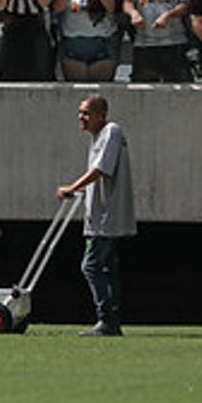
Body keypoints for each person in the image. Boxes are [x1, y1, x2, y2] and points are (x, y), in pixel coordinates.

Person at [57, 94, 135, 338]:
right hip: (99, 215)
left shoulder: (111, 131)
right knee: (106, 269)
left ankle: (106, 320)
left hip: (107, 217)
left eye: (86, 113)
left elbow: (101, 169)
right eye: (80, 113)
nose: (81, 117)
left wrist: (72, 187)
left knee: (91, 266)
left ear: (101, 115)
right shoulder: (97, 138)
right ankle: (111, 322)